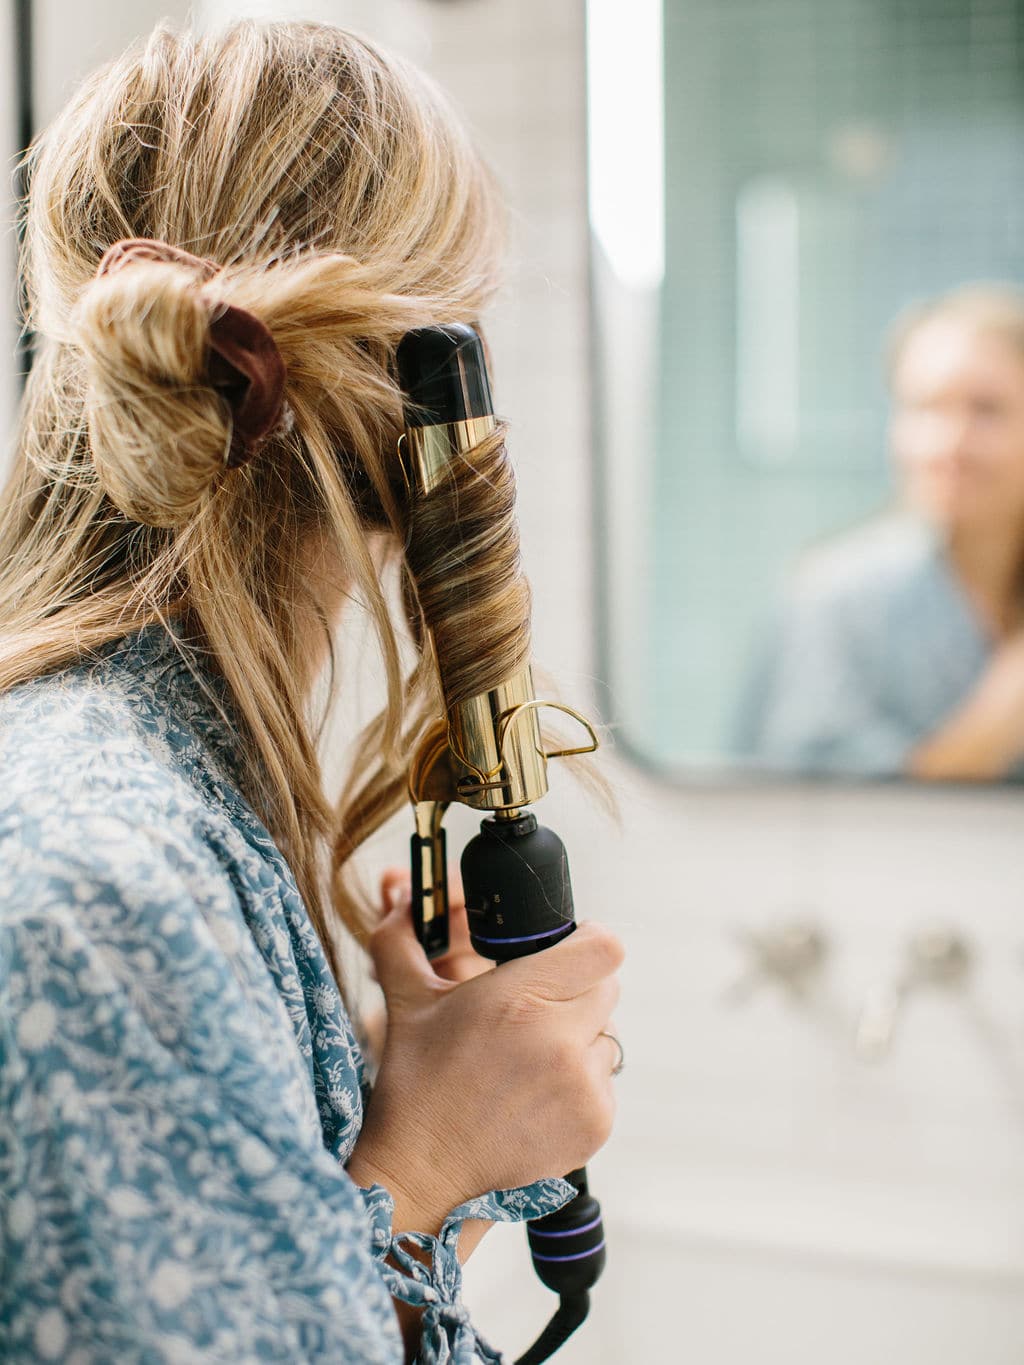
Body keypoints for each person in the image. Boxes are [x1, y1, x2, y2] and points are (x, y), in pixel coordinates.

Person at [0, 20, 623, 1364]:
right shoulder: (107, 875)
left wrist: (447, 1147)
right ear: (421, 385)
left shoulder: (148, 793)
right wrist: (436, 1145)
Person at [735, 283, 1024, 782]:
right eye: (925, 407)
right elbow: (802, 815)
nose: (949, 441)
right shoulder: (834, 597)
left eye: (987, 410)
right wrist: (994, 724)